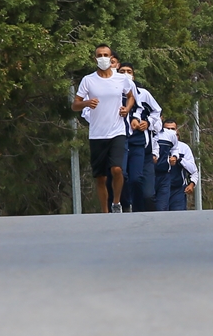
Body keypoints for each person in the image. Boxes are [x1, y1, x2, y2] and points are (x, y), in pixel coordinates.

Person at [72, 44, 135, 212]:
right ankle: (104, 212)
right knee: (100, 177)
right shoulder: (88, 80)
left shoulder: (121, 79)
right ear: (95, 59)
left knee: (117, 169)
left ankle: (116, 202)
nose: (103, 58)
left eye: (106, 55)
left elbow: (131, 97)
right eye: (99, 55)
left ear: (111, 57)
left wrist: (127, 109)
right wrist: (86, 102)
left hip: (117, 131)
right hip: (97, 134)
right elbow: (75, 105)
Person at [117, 63, 161, 212]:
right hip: (120, 141)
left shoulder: (143, 95)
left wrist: (147, 123)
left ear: (133, 76)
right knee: (122, 175)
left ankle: (139, 213)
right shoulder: (112, 93)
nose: (125, 74)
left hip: (140, 145)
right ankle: (124, 204)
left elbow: (157, 114)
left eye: (129, 71)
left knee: (139, 183)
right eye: (122, 71)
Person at [162, 119, 198, 210]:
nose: (170, 132)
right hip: (161, 189)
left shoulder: (184, 148)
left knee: (178, 218)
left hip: (178, 190)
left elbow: (193, 170)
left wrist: (191, 184)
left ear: (177, 131)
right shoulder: (157, 145)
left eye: (173, 129)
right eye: (167, 129)